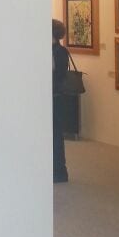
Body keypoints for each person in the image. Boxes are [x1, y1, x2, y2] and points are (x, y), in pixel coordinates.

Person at [52, 18, 69, 183]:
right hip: (51, 96)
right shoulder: (53, 50)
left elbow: (58, 75)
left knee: (56, 134)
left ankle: (59, 171)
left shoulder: (60, 52)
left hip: (55, 97)